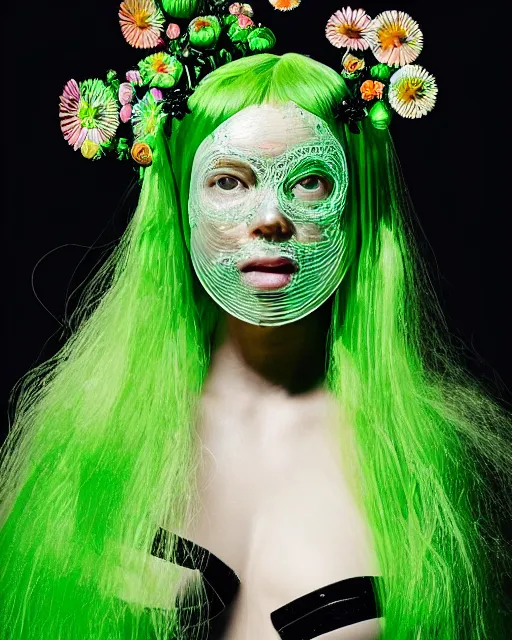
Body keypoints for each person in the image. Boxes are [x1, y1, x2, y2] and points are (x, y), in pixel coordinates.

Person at [1, 14, 511, 640]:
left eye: (311, 182)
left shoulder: (440, 463)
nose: (270, 217)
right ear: (176, 206)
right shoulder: (79, 442)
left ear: (359, 205)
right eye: (228, 182)